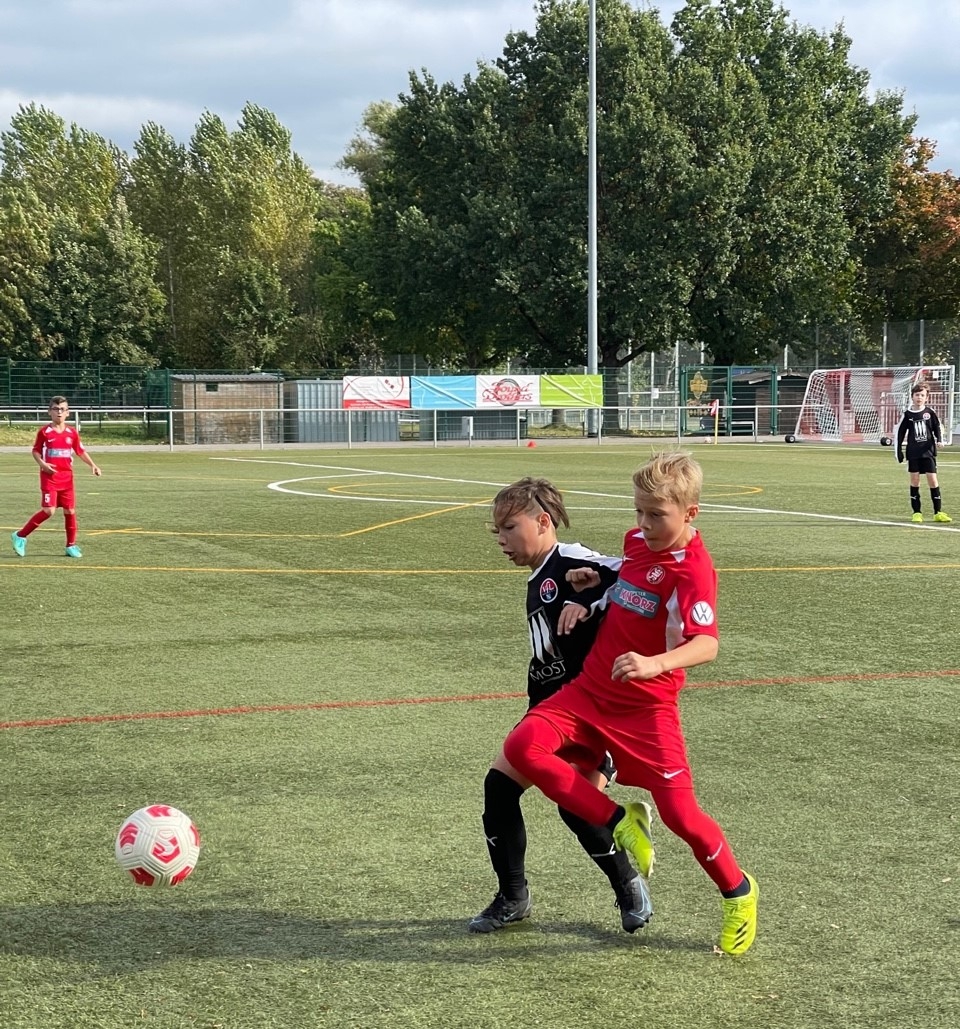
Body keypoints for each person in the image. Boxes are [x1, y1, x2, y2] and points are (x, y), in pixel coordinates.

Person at [501, 452, 758, 956]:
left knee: (682, 817)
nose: (643, 524)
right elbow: (628, 580)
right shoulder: (638, 542)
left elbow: (707, 644)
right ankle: (620, 821)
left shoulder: (694, 570)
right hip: (590, 690)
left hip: (647, 709)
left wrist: (655, 663)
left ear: (690, 513)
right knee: (523, 747)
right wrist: (593, 590)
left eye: (656, 515)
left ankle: (739, 892)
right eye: (638, 511)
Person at [469, 477, 653, 935]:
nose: (502, 540)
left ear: (543, 522)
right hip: (548, 712)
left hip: (594, 716)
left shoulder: (572, 559)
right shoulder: (541, 575)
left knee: (575, 806)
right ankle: (513, 897)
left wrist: (591, 594)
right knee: (499, 789)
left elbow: (642, 575)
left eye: (510, 527)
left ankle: (628, 884)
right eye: (497, 531)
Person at [11, 396, 101, 559]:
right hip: (50, 477)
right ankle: (20, 535)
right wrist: (43, 464)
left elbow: (80, 451)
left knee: (70, 510)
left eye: (62, 409)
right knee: (49, 510)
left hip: (67, 478)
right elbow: (35, 451)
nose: (59, 412)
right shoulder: (44, 432)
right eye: (55, 409)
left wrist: (93, 465)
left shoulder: (72, 433)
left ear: (68, 412)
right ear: (49, 412)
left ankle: (71, 545)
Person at [895, 382, 951, 524]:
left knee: (933, 481)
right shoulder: (907, 415)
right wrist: (898, 451)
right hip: (913, 453)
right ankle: (917, 513)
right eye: (917, 395)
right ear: (912, 396)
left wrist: (940, 440)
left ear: (927, 398)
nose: (919, 397)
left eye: (922, 395)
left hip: (928, 452)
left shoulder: (929, 413)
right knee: (915, 481)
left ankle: (938, 512)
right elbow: (900, 434)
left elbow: (937, 427)